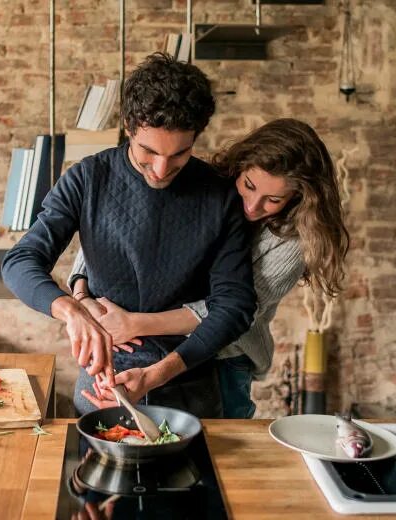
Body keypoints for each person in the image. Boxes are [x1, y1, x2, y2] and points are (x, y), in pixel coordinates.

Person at [1, 53, 257, 418]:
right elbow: (20, 261)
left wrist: (156, 375)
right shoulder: (88, 178)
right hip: (104, 379)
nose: (161, 169)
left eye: (179, 153)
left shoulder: (219, 195)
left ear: (197, 136)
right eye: (148, 152)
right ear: (128, 126)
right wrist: (72, 310)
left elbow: (235, 306)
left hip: (190, 377)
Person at [70, 118, 350, 418]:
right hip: (147, 344)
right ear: (239, 167)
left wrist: (135, 324)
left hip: (224, 359)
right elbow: (112, 234)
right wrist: (81, 295)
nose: (252, 206)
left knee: (215, 452)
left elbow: (230, 311)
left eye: (273, 200)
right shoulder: (203, 189)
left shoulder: (292, 243)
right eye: (249, 186)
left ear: (298, 198)